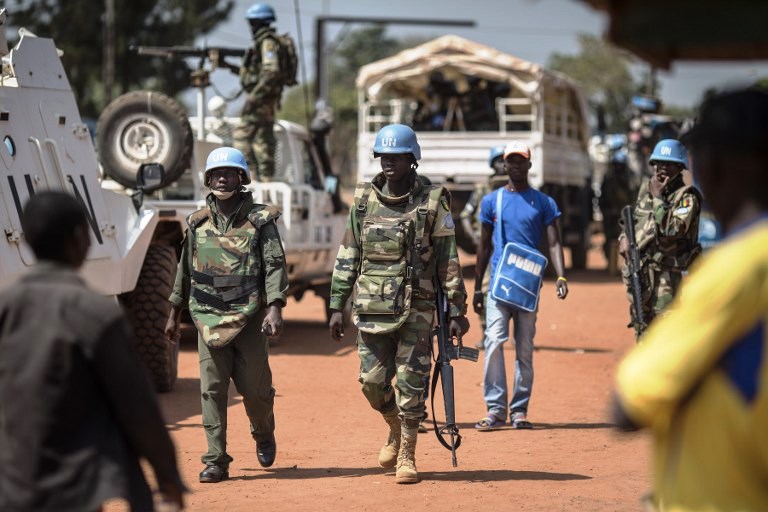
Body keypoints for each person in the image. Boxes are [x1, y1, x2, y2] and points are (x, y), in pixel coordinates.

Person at [613, 87, 768, 510]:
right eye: (659, 166)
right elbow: (631, 232)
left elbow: (631, 401)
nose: (664, 172)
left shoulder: (734, 267)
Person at [0, 191, 186, 511]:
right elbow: (137, 406)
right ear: (80, 238)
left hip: (12, 485)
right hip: (77, 490)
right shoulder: (95, 313)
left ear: (26, 239)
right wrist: (167, 477)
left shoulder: (6, 308)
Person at [327, 124, 469, 484]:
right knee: (372, 382)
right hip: (372, 305)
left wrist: (456, 309)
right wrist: (336, 305)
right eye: (384, 156)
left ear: (412, 160)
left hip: (417, 305)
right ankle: (393, 424)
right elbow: (348, 254)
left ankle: (407, 452)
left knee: (411, 381)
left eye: (397, 157)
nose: (389, 163)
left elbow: (448, 258)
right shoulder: (364, 200)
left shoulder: (433, 201)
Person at [165, 147, 288, 483]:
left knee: (255, 390)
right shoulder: (197, 223)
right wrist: (173, 312)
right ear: (208, 179)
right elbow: (184, 272)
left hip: (250, 319)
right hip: (207, 318)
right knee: (212, 391)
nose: (222, 179)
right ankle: (216, 460)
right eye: (216, 174)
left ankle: (263, 433)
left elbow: (274, 265)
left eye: (229, 173)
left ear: (241, 178)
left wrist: (275, 307)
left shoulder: (261, 221)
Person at [473, 141, 568, 431]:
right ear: (504, 165)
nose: (515, 165)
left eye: (520, 160)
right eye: (510, 161)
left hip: (528, 287)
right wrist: (477, 288)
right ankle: (495, 408)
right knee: (493, 342)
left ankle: (519, 410)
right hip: (498, 286)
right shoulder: (492, 201)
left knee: (524, 349)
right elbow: (483, 247)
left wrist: (561, 276)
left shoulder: (544, 202)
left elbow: (554, 242)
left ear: (529, 164)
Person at [618, 138, 702, 337]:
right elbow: (633, 222)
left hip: (669, 278)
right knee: (642, 330)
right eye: (658, 163)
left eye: (669, 164)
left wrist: (657, 198)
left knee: (667, 334)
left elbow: (672, 230)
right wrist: (623, 238)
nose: (662, 168)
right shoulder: (645, 190)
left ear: (680, 168)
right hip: (643, 275)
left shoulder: (686, 197)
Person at [231, 3, 294, 182]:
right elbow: (257, 73)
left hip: (262, 100)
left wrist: (254, 97)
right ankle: (266, 178)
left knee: (241, 136)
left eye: (252, 23)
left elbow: (271, 71)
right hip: (268, 99)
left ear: (257, 23)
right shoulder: (269, 42)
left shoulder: (267, 43)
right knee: (264, 139)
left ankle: (249, 175)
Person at [460, 144, 507, 349]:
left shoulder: (516, 188)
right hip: (488, 249)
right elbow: (465, 215)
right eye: (499, 161)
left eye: (506, 160)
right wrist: (474, 238)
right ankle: (486, 332)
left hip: (510, 249)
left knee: (513, 289)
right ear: (492, 164)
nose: (503, 165)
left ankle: (514, 331)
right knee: (485, 291)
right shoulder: (482, 190)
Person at [599, 150, 638, 275]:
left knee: (629, 239)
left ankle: (630, 267)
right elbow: (603, 196)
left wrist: (631, 212)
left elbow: (634, 196)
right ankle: (611, 264)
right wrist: (605, 210)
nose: (618, 167)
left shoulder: (631, 177)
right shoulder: (608, 177)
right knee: (610, 239)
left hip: (625, 214)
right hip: (610, 214)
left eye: (620, 165)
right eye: (616, 165)